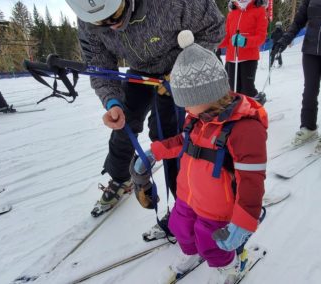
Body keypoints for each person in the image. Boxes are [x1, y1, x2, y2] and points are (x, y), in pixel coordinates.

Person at [65, 0, 225, 237]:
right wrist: (111, 101)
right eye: (102, 23)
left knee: (171, 136)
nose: (113, 26)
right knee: (123, 123)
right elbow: (99, 62)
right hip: (142, 72)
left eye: (115, 16)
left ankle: (186, 205)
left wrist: (182, 70)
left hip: (184, 65)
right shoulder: (87, 16)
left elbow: (214, 28)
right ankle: (120, 179)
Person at [131, 31, 267, 283]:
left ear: (205, 96)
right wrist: (155, 152)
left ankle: (231, 265)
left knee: (211, 243)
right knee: (181, 228)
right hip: (188, 197)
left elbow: (252, 181)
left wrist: (243, 222)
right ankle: (189, 252)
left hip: (217, 207)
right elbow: (183, 142)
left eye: (186, 102)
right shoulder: (197, 119)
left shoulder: (245, 129)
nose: (183, 108)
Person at [271, 0, 321, 152]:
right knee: (309, 91)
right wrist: (284, 40)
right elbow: (298, 21)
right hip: (311, 50)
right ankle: (308, 127)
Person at [218, 0, 268, 98]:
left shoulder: (259, 10)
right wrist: (215, 43)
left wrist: (245, 41)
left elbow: (261, 37)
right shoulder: (232, 13)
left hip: (249, 58)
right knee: (232, 90)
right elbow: (227, 36)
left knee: (247, 90)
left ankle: (253, 108)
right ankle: (237, 112)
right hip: (232, 58)